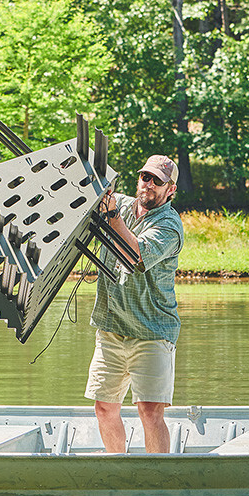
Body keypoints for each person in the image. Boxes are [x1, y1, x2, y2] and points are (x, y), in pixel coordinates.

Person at [86, 154, 184, 453]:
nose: (149, 185)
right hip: (111, 327)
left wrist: (112, 214)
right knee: (104, 408)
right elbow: (91, 189)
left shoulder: (170, 225)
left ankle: (159, 482)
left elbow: (136, 256)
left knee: (150, 412)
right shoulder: (124, 204)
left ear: (171, 190)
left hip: (153, 332)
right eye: (145, 177)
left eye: (158, 181)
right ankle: (118, 469)